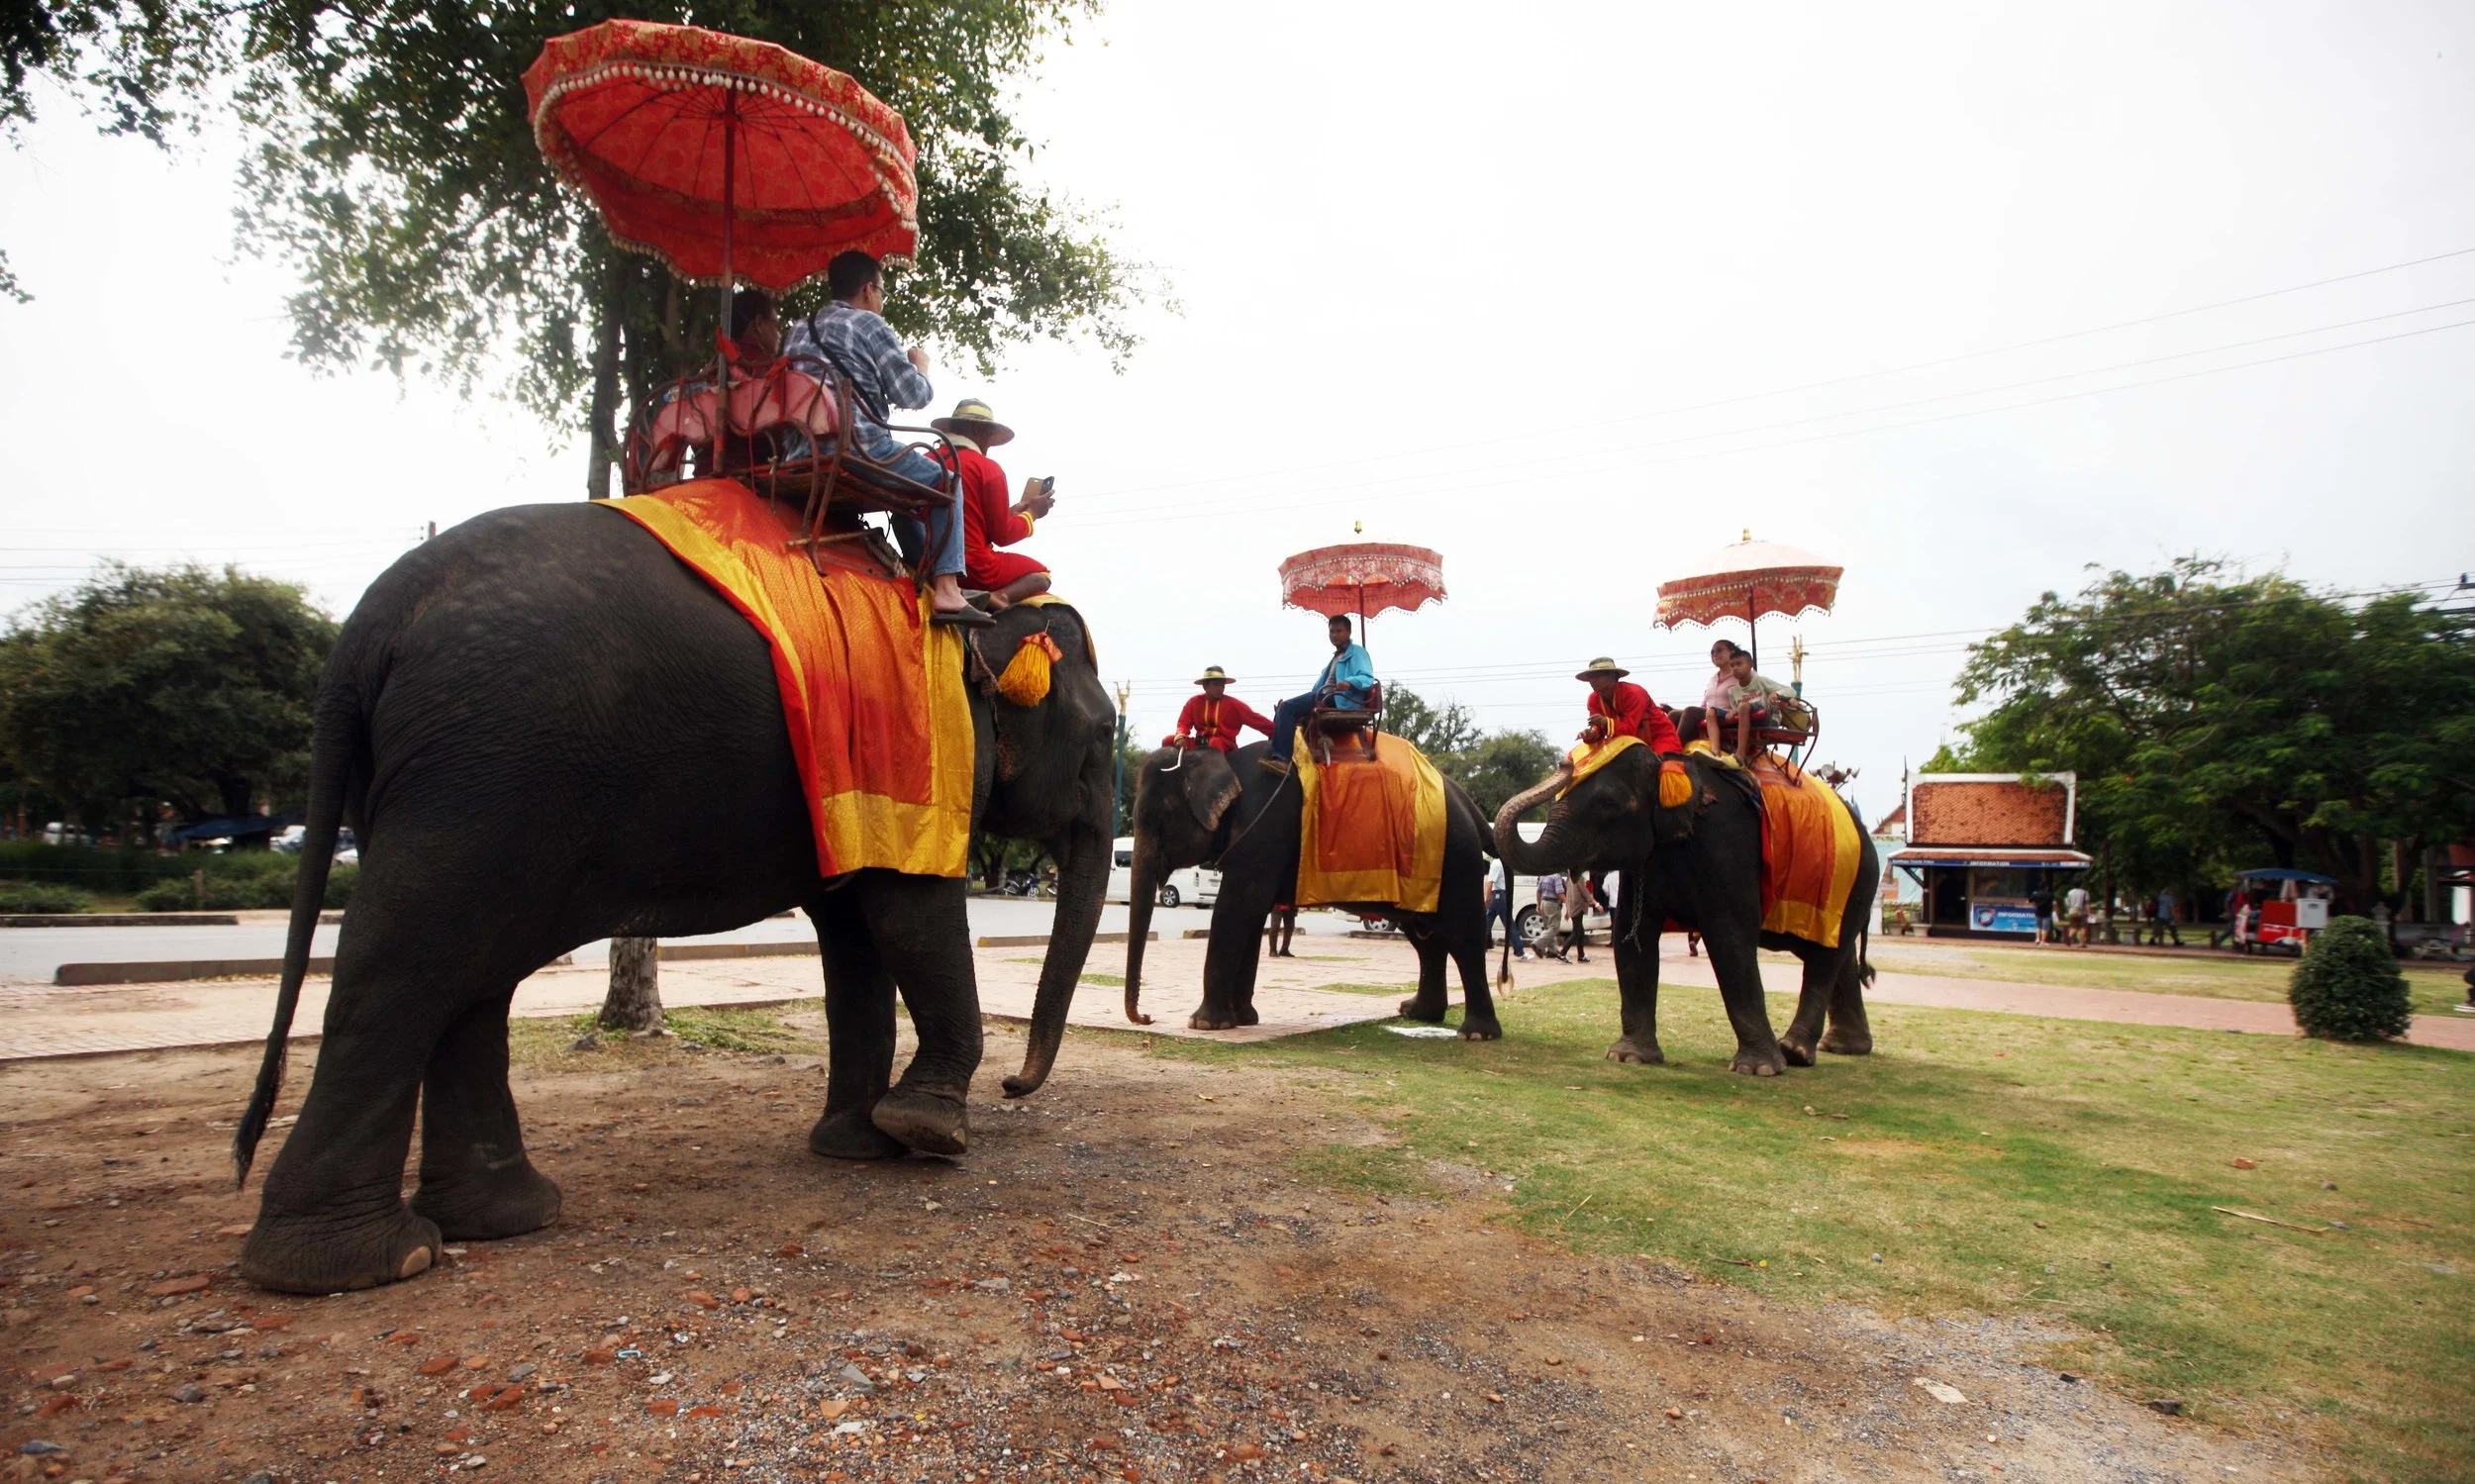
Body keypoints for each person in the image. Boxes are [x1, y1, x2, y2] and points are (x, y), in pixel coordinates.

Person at [782, 251, 989, 626]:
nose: (881, 301)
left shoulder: (798, 329)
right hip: (858, 449)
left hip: (801, 449)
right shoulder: (870, 325)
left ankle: (917, 570)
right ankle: (947, 588)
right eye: (882, 292)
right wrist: (919, 365)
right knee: (946, 476)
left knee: (908, 477)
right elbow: (914, 395)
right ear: (867, 289)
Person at [930, 399, 1057, 611]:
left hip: (927, 559)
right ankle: (1000, 597)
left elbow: (970, 519)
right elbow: (1002, 535)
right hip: (972, 567)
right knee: (1042, 575)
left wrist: (1010, 513)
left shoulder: (926, 459)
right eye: (989, 436)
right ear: (979, 431)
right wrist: (1032, 514)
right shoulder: (987, 468)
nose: (989, 444)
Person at [1259, 615, 1376, 776]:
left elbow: (1367, 678)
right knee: (1284, 710)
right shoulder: (1336, 656)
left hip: (1340, 700)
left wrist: (1349, 682)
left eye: (1339, 631)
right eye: (1331, 631)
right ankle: (1277, 750)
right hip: (1325, 697)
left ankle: (1282, 759)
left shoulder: (1357, 653)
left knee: (1287, 708)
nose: (1334, 635)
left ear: (1348, 632)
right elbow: (1318, 688)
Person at [1708, 646, 1799, 761]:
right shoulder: (1733, 691)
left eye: (1739, 664)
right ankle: (1715, 752)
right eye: (1732, 666)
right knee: (1711, 712)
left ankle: (1740, 754)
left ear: (1751, 664)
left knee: (1744, 706)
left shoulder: (1760, 681)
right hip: (1747, 719)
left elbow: (1791, 691)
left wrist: (1776, 693)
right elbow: (1736, 710)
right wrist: (1732, 712)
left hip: (1767, 719)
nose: (1735, 668)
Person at [1574, 657, 1683, 752]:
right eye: (1590, 677)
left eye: (1598, 676)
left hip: (1659, 739)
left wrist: (1605, 721)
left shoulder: (1634, 693)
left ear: (1612, 676)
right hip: (1623, 745)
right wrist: (1590, 733)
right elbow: (1599, 728)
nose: (1592, 681)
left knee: (1667, 769)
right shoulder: (1593, 699)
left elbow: (1630, 730)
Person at [1166, 667, 1274, 754]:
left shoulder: (1234, 704)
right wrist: (1181, 736)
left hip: (1224, 744)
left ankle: (1218, 780)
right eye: (1216, 685)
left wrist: (1279, 730)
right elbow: (1183, 723)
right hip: (1199, 743)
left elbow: (1256, 719)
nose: (1220, 688)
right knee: (1168, 740)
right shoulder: (1193, 702)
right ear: (1205, 686)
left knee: (1215, 743)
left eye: (1222, 685)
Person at [1489, 857, 1529, 960]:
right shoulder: (1498, 863)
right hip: (1499, 894)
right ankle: (1520, 952)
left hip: (1498, 895)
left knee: (1486, 924)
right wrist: (1487, 898)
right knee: (1510, 925)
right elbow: (1490, 882)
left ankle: (1474, 947)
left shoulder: (1501, 862)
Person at [1560, 872, 1599, 962]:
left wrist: (1568, 910)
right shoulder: (1578, 878)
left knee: (1580, 932)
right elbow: (1585, 893)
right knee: (1576, 932)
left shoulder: (1569, 879)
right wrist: (1596, 904)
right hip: (1578, 907)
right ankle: (1562, 953)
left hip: (1572, 907)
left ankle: (1581, 955)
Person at [1535, 871, 1567, 960]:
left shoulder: (1543, 875)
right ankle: (1538, 944)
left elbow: (1538, 891)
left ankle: (1551, 951)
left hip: (1543, 902)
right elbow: (1559, 893)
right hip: (1552, 903)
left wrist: (1538, 904)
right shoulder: (1556, 876)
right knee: (1554, 928)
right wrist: (1567, 903)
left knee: (1548, 927)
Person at [2062, 881, 2093, 947]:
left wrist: (2070, 909)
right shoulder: (2084, 892)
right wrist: (2090, 912)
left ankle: (2069, 937)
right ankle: (2082, 942)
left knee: (2074, 927)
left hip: (2072, 911)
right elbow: (2087, 903)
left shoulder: (2070, 892)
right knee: (2083, 927)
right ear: (2081, 885)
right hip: (2082, 912)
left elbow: (2067, 903)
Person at [2029, 881, 2055, 945]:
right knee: (2045, 928)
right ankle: (2043, 941)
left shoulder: (2036, 894)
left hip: (2038, 912)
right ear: (2046, 887)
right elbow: (2054, 903)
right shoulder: (2049, 894)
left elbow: (2029, 901)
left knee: (2038, 927)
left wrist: (2035, 905)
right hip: (2047, 913)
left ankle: (2038, 939)